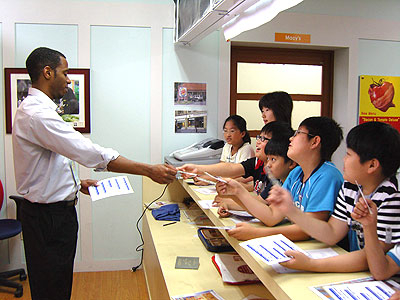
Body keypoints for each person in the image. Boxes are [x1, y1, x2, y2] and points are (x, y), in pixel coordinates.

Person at [12, 47, 177, 300]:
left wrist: (76, 182)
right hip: (49, 219)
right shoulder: (38, 114)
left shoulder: (38, 110)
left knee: (57, 282)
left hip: (51, 216)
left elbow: (48, 163)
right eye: (65, 73)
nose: (68, 80)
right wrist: (147, 170)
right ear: (47, 72)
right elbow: (88, 152)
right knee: (52, 288)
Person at [268, 121, 400, 273]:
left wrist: (312, 264)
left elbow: (373, 259)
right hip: (356, 269)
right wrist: (291, 210)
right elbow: (331, 233)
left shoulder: (390, 199)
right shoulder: (351, 187)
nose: (344, 160)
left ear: (372, 165)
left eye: (348, 155)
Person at [216, 116, 344, 241]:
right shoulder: (296, 173)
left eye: (298, 133)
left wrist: (257, 233)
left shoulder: (327, 176)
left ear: (315, 142)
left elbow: (306, 230)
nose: (291, 138)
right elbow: (272, 216)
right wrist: (237, 191)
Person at [179, 121, 293, 196]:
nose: (258, 141)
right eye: (259, 137)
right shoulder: (257, 162)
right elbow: (230, 168)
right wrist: (197, 169)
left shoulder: (279, 173)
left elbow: (263, 205)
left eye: (264, 139)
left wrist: (231, 199)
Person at [217, 131, 297, 219]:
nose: (268, 165)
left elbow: (269, 215)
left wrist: (236, 193)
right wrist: (232, 198)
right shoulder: (285, 181)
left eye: (273, 159)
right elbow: (271, 215)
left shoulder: (289, 181)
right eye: (268, 159)